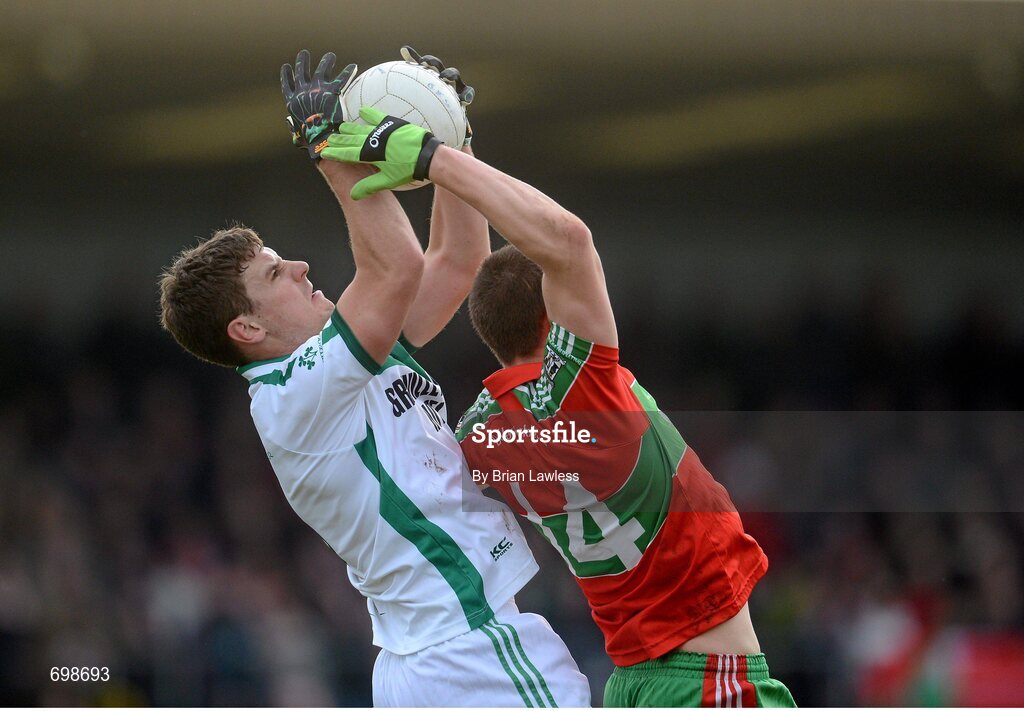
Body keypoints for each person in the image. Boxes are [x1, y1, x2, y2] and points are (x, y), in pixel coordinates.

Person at [319, 97, 797, 707]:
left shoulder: (481, 436)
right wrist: (437, 158)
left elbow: (461, 264)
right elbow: (567, 242)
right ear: (555, 319)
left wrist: (455, 141)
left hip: (632, 679)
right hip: (710, 681)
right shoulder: (586, 394)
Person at [158, 49, 589, 708]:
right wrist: (333, 151)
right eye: (274, 273)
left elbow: (456, 260)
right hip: (468, 650)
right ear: (245, 329)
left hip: (432, 651)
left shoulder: (342, 360)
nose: (300, 266)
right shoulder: (292, 391)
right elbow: (396, 268)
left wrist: (455, 139)